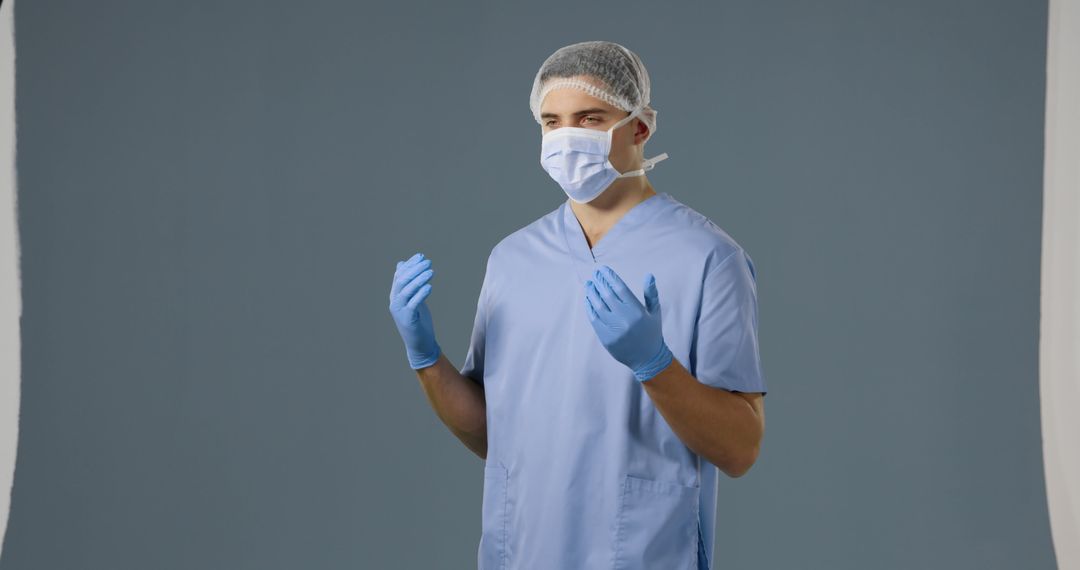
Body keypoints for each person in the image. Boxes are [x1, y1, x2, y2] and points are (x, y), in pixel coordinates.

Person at [388, 40, 767, 570]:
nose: (566, 137)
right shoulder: (513, 258)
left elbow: (740, 449)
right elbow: (494, 437)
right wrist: (427, 359)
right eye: (551, 121)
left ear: (640, 126)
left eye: (590, 118)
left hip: (640, 551)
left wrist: (654, 365)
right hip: (519, 549)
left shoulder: (709, 259)